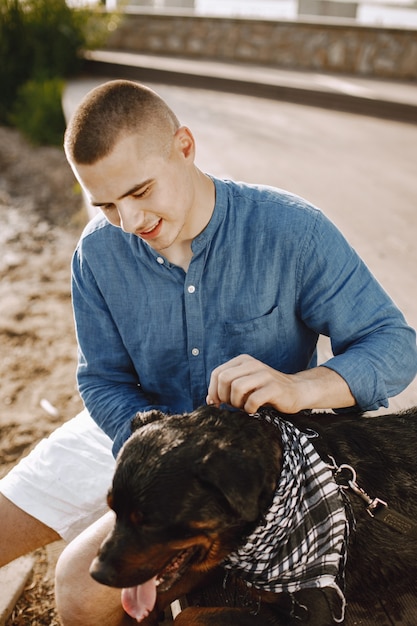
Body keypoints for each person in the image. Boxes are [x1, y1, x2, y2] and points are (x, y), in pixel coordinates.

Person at [0, 79, 416, 625]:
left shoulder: (291, 229)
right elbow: (102, 379)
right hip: (135, 434)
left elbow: (393, 344)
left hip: (248, 461)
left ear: (185, 147)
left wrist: (299, 386)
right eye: (104, 203)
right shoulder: (96, 256)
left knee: (80, 588)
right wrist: (150, 447)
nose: (129, 221)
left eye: (140, 191)